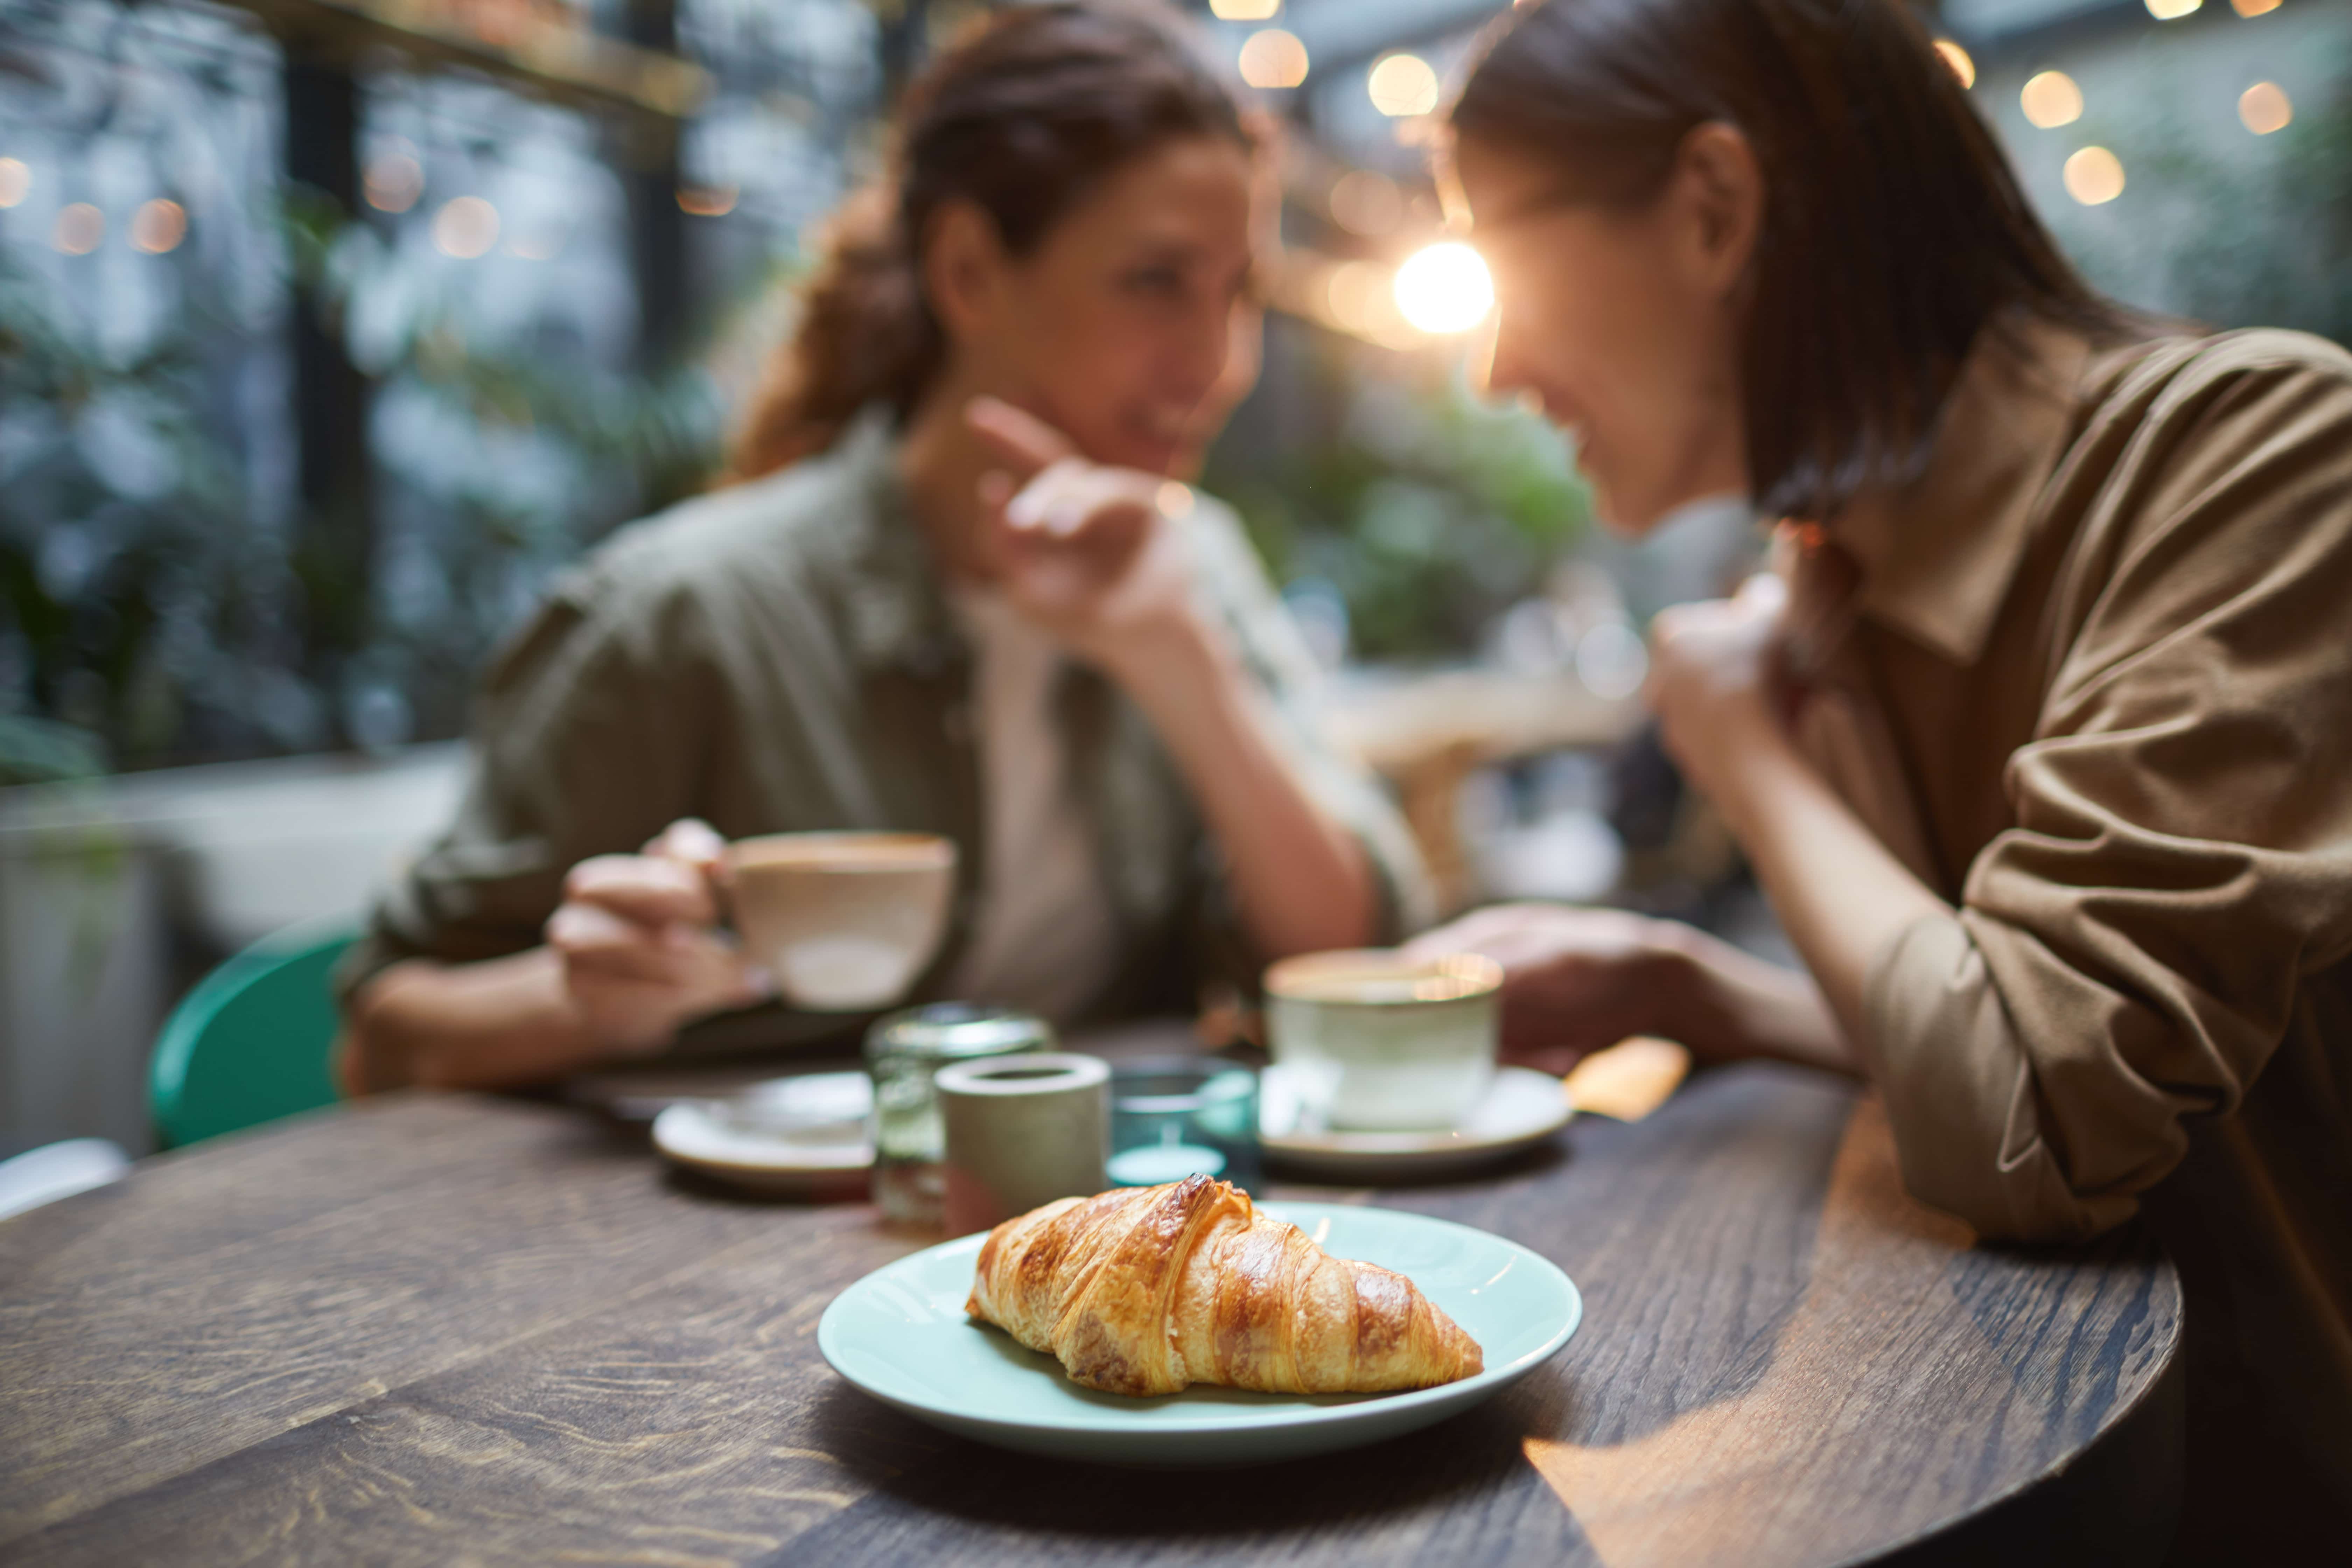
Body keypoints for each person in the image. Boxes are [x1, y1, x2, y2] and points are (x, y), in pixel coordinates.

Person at [1406, 0, 2352, 1552]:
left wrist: (1750, 757)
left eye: (1502, 250)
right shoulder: (1841, 575)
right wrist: (1701, 995)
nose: (1499, 366)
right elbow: (1995, 1033)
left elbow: (2038, 1117)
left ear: (1714, 206)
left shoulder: (2260, 458)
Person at [337, 1, 1429, 1093]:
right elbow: (381, 1037)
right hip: (715, 1238)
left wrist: (1178, 661)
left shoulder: (1194, 562)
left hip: (1076, 1232)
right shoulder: (685, 615)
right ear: (968, 272)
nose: (1220, 363)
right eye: (1156, 282)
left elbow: (1346, 959)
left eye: (1239, 293)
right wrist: (582, 1001)